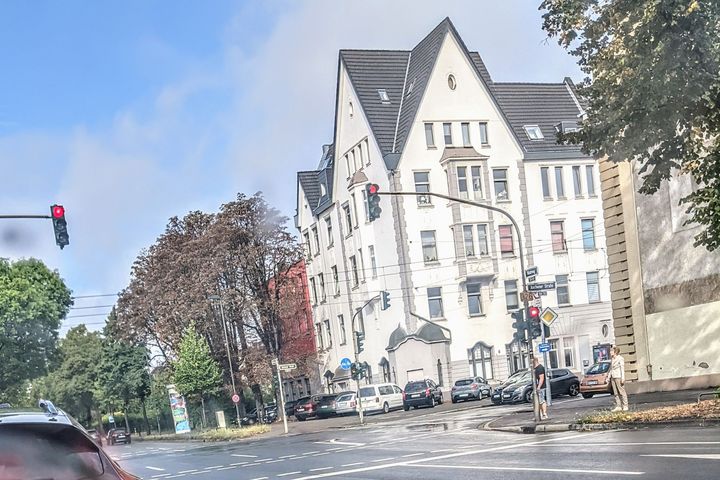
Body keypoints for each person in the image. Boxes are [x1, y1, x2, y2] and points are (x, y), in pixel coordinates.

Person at [609, 346, 628, 411]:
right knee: (615, 392)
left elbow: (622, 369)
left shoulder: (620, 358)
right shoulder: (612, 359)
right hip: (613, 377)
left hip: (618, 376)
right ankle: (618, 406)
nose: (610, 352)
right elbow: (611, 369)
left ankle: (625, 406)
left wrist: (623, 378)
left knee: (622, 391)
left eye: (611, 351)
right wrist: (609, 377)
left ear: (615, 352)